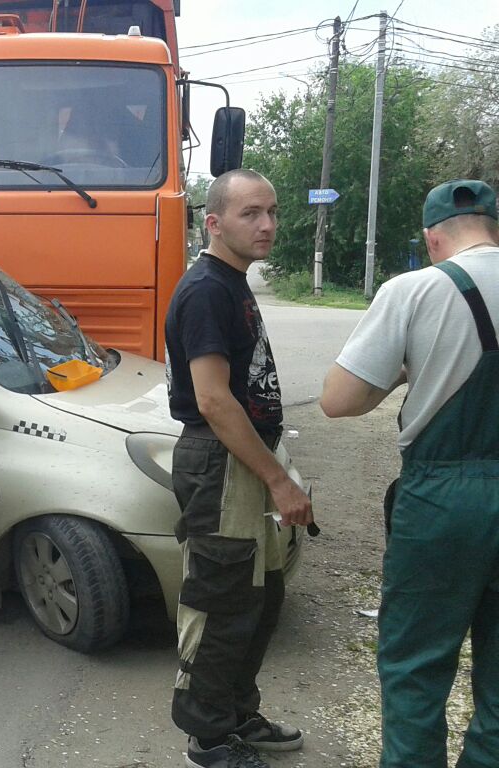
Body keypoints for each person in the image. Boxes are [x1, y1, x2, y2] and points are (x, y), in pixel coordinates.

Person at [320, 179, 499, 768]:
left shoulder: (417, 289)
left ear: (432, 237)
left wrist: (408, 371)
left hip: (444, 498)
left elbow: (339, 401)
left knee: (417, 668)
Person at [164, 168, 314, 768]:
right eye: (251, 213)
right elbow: (212, 399)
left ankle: (237, 713)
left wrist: (277, 469)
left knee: (262, 594)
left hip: (248, 455)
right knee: (222, 601)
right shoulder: (206, 289)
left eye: (272, 211)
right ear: (214, 221)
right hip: (221, 462)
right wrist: (277, 479)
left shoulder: (233, 282)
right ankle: (207, 739)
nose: (268, 224)